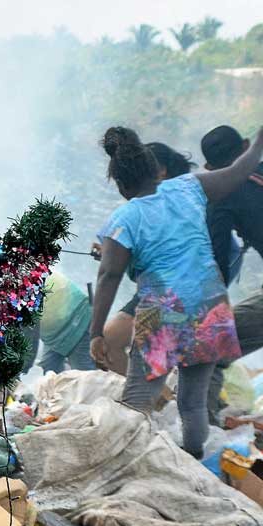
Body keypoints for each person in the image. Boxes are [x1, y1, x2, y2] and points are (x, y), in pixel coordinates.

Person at [89, 126, 263, 458]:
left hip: (164, 313)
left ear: (121, 185)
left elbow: (109, 274)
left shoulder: (123, 219)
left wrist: (96, 332)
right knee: (193, 401)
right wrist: (257, 144)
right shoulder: (189, 186)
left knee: (137, 400)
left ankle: (125, 461)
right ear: (155, 170)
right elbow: (238, 171)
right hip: (210, 306)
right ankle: (193, 458)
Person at [202, 125, 263, 419]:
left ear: (209, 169)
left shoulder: (221, 196)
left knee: (209, 347)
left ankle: (202, 430)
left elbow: (218, 268)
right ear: (246, 146)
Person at [34, 272, 95, 374]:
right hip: (53, 334)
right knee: (48, 371)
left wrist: (24, 368)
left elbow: (30, 336)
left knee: (82, 374)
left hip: (77, 321)